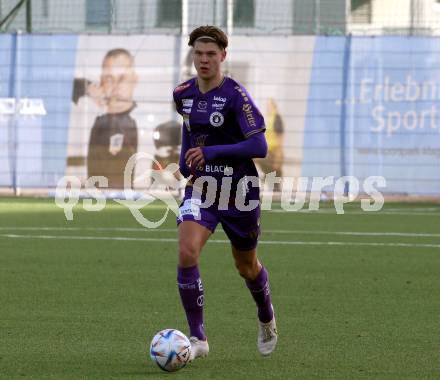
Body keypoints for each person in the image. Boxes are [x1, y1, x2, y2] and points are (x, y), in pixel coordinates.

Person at [173, 25, 278, 361]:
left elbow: (259, 145)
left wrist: (212, 153)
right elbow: (190, 129)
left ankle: (266, 316)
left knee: (246, 266)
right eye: (198, 54)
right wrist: (185, 160)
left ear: (223, 56)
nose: (204, 60)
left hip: (239, 192)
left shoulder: (235, 95)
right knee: (187, 250)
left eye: (211, 55)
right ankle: (198, 337)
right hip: (202, 188)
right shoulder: (183, 94)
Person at [85, 48, 138, 188]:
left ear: (134, 79)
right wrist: (87, 87)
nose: (115, 87)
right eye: (109, 79)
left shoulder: (138, 121)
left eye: (122, 79)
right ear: (101, 82)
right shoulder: (98, 122)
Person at [256, 98, 285, 191]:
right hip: (268, 149)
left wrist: (278, 152)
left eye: (269, 106)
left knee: (274, 165)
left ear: (274, 106)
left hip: (274, 150)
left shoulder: (276, 118)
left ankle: (272, 181)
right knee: (258, 159)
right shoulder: (269, 118)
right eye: (267, 106)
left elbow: (280, 136)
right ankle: (269, 179)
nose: (267, 108)